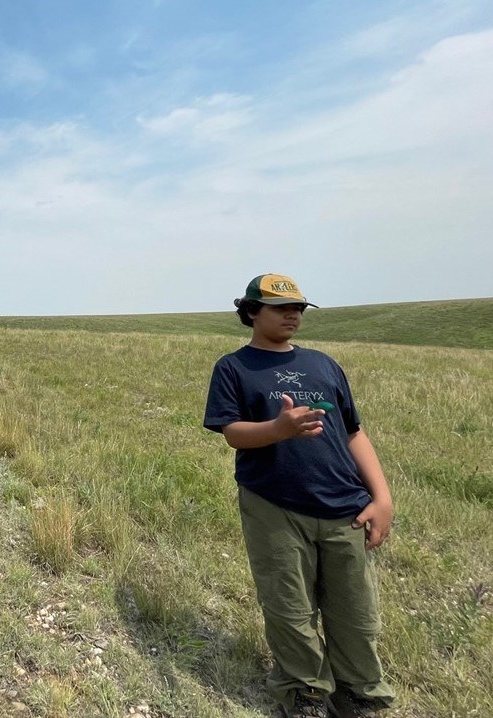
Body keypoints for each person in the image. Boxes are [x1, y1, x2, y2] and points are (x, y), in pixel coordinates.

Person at [203, 274, 396, 718]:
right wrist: (278, 429)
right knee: (290, 607)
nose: (293, 315)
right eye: (280, 308)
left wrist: (382, 497)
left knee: (356, 612)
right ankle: (305, 693)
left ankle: (357, 693)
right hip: (274, 504)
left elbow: (353, 432)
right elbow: (232, 433)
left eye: (299, 308)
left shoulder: (325, 365)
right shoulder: (234, 367)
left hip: (344, 506)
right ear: (251, 311)